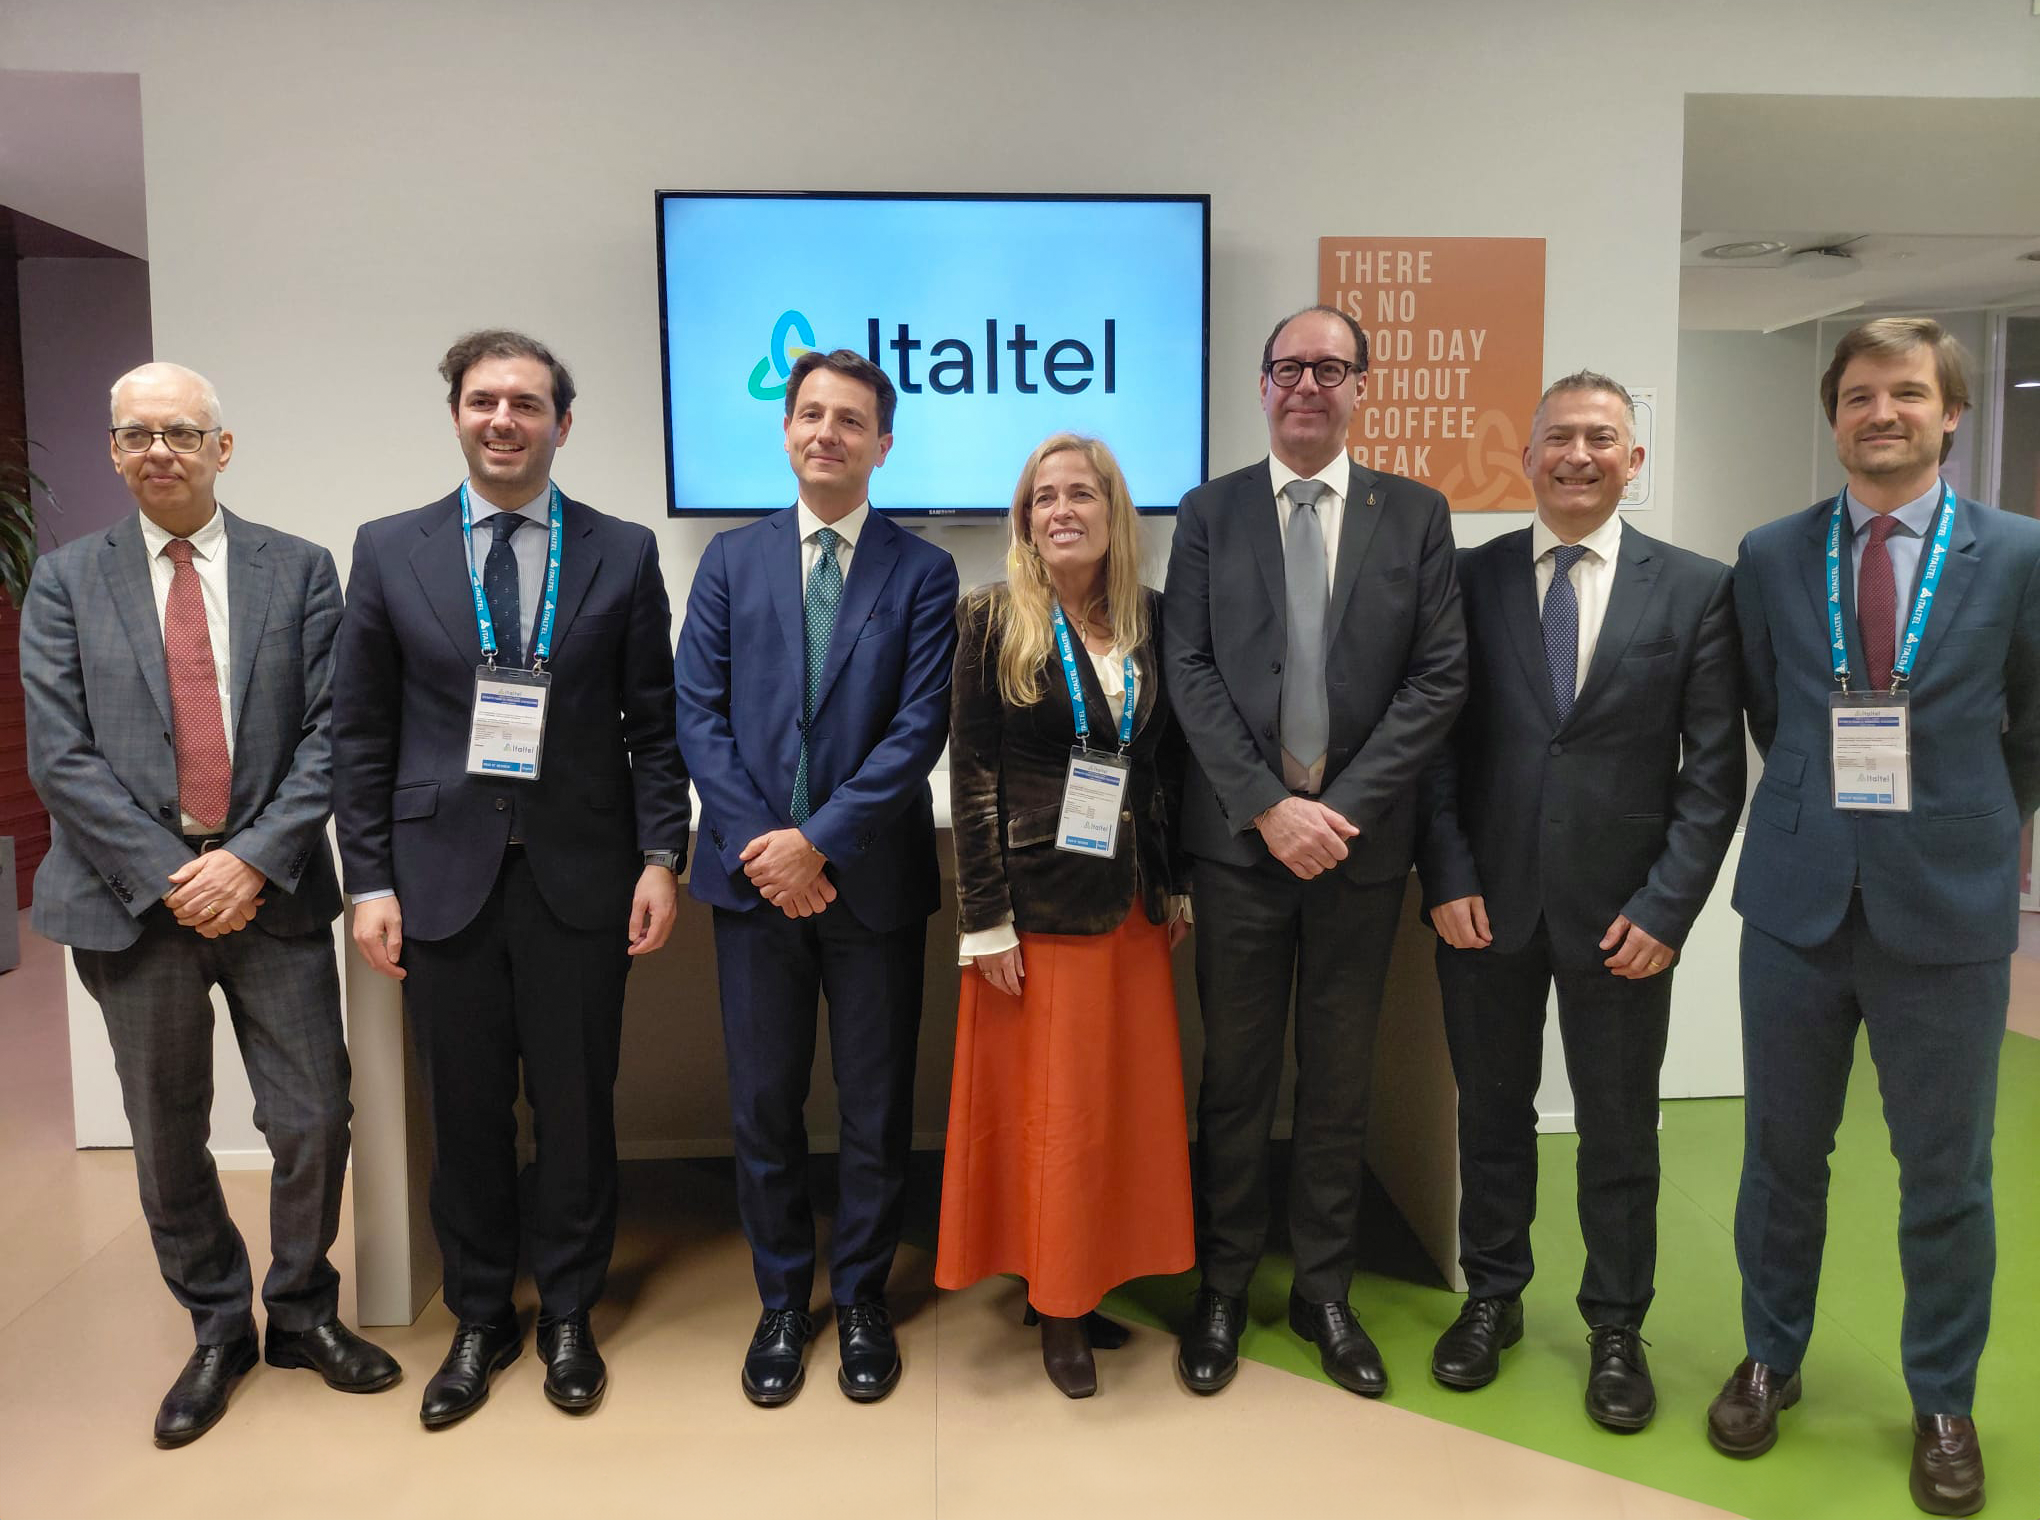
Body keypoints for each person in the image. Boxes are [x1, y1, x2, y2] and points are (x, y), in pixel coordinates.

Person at [21, 362, 400, 1447]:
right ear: (112, 451)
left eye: (182, 432)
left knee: (313, 1114)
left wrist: (250, 861)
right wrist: (175, 872)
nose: (160, 451)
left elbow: (335, 731)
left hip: (272, 894)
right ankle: (219, 1324)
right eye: (137, 434)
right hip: (132, 903)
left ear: (221, 448)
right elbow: (60, 753)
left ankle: (301, 1309)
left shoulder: (300, 569)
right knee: (167, 1129)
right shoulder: (66, 581)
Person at [1708, 317, 2040, 1517]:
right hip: (1798, 901)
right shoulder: (1771, 552)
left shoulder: (2019, 553)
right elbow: (1768, 708)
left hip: (1948, 907)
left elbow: (2032, 724)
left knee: (1946, 1175)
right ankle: (1770, 1355)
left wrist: (1969, 820)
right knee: (1779, 1156)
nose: (1881, 412)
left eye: (1906, 392)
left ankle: (1943, 1398)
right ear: (1835, 415)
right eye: (1858, 394)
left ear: (1952, 411)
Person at [331, 330, 690, 1427]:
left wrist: (661, 856)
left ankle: (570, 1311)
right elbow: (361, 731)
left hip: (581, 874)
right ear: (456, 414)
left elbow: (654, 725)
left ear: (561, 424)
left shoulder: (622, 551)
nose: (504, 419)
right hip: (439, 880)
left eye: (527, 403)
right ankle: (481, 1315)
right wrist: (368, 880)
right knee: (467, 1110)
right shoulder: (388, 548)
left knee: (577, 1106)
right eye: (484, 400)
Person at [1415, 371, 1744, 1429]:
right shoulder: (1466, 579)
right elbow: (1434, 747)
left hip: (1624, 919)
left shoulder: (1695, 589)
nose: (1578, 455)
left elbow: (1712, 774)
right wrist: (1447, 875)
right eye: (1559, 436)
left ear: (1633, 461)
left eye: (1602, 438)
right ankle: (1493, 1296)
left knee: (1619, 1131)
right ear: (1527, 457)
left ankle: (1615, 1325)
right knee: (1490, 1114)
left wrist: (1669, 907)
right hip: (1485, 907)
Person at [1162, 305, 1467, 1398]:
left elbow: (1438, 676)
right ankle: (1224, 1283)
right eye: (1288, 366)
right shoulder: (1210, 511)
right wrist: (1265, 807)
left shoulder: (1416, 514)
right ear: (1261, 385)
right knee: (1235, 1077)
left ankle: (1325, 1290)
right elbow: (1188, 668)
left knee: (1340, 1081)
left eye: (1330, 369)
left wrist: (1336, 810)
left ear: (1361, 388)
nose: (1307, 385)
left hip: (1357, 852)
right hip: (1239, 853)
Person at [674, 347, 959, 1407]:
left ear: (883, 444)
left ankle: (866, 1297)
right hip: (755, 884)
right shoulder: (728, 560)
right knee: (764, 1102)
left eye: (851, 420)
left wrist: (820, 842)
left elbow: (917, 727)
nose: (827, 432)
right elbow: (697, 713)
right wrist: (770, 845)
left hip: (871, 882)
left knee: (877, 1105)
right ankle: (783, 1300)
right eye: (811, 414)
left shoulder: (924, 571)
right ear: (786, 429)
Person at [935, 433, 1194, 1399]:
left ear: (1112, 511)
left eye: (1080, 493)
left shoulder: (1152, 616)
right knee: (1054, 1116)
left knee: (1112, 1111)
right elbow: (973, 774)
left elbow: (1163, 765)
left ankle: (1084, 1272)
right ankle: (1058, 1304)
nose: (1061, 511)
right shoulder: (991, 617)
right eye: (1043, 498)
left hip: (1129, 905)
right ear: (1025, 518)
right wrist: (985, 918)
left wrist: (1174, 881)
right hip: (1037, 909)